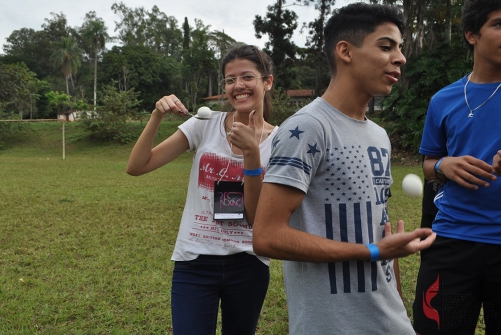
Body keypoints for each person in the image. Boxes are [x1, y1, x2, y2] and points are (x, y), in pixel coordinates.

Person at [252, 3, 436, 334]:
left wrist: (388, 261)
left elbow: (377, 228)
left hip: (387, 317)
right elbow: (266, 236)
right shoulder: (308, 127)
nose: (400, 58)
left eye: (399, 48)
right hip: (333, 324)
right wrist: (372, 250)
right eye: (386, 46)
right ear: (345, 51)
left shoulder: (379, 135)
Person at [126, 44, 278, 335]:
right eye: (230, 80)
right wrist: (156, 115)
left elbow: (256, 217)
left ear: (267, 82)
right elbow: (137, 166)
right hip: (194, 261)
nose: (238, 86)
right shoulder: (204, 124)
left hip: (248, 263)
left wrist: (251, 156)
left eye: (247, 77)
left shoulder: (280, 141)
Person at [412, 1, 501, 334]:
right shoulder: (443, 100)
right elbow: (428, 164)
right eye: (499, 24)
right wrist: (444, 165)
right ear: (471, 34)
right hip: (451, 241)